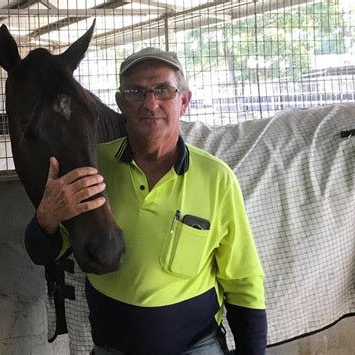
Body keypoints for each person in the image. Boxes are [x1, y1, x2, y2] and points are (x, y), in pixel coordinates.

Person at [25, 47, 267, 354]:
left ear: (184, 101)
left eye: (163, 89)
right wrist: (46, 216)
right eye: (136, 91)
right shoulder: (92, 167)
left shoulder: (217, 179)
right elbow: (42, 251)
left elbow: (243, 281)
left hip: (197, 348)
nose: (150, 103)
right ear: (120, 104)